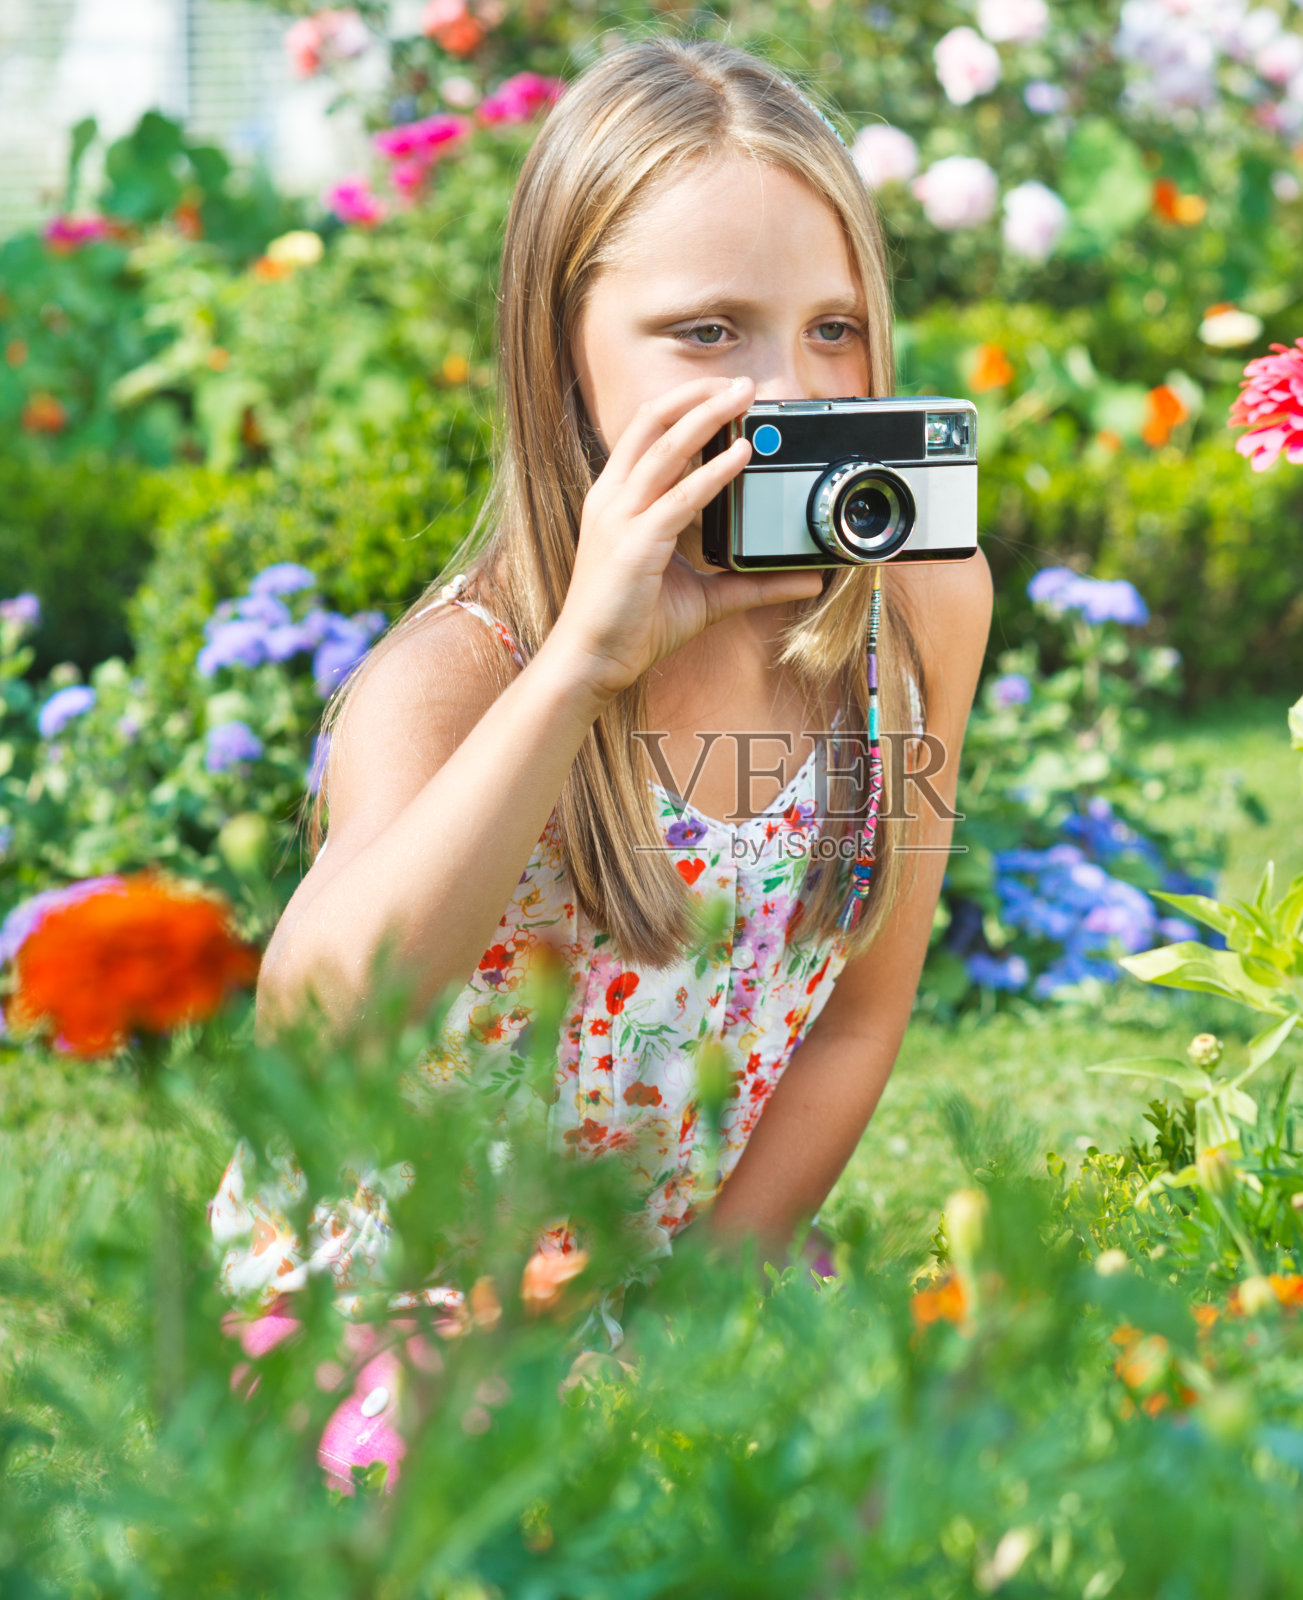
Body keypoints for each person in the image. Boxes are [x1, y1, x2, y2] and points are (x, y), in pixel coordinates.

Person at [209, 35, 991, 1337]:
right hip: (396, 1303)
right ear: (563, 349)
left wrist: (691, 1332)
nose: (787, 392)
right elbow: (324, 1031)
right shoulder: (461, 676)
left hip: (667, 1279)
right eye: (707, 332)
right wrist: (579, 666)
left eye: (834, 331)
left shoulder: (919, 613)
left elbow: (858, 1015)